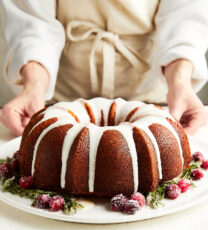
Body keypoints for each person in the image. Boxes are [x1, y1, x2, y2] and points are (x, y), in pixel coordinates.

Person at [0, 0, 208, 136]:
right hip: (62, 100)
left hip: (152, 98)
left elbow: (185, 15)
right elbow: (34, 23)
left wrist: (180, 81)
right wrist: (34, 85)